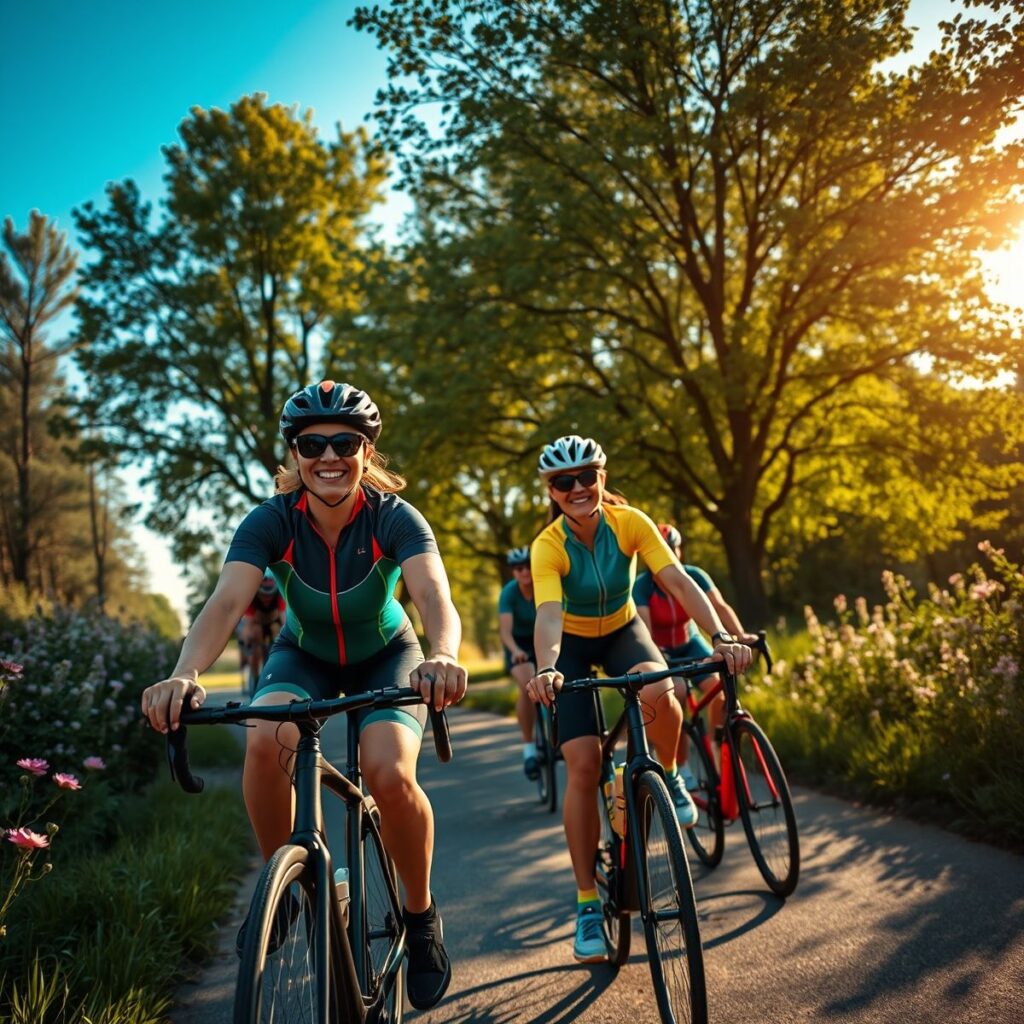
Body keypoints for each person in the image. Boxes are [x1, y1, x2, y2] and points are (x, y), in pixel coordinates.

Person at [140, 380, 467, 1011]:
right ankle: (284, 891)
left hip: (387, 654)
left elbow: (432, 597)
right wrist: (185, 671)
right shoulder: (270, 520)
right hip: (303, 655)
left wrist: (445, 656)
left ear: (366, 452)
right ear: (293, 453)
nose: (328, 456)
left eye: (345, 442)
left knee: (387, 772)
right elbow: (227, 602)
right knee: (264, 742)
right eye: (311, 443)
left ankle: (421, 918)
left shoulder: (393, 517)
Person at [526, 435, 752, 963]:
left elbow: (674, 579)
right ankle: (586, 903)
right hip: (573, 648)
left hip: (624, 630)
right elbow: (550, 616)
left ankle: (669, 776)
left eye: (587, 477)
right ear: (552, 492)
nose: (578, 488)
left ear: (602, 478)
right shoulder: (548, 546)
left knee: (663, 687)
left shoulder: (631, 523)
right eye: (564, 482)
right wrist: (545, 668)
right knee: (582, 765)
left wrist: (719, 635)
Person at [634, 524, 759, 785]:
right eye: (663, 549)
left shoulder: (694, 575)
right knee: (675, 693)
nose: (669, 553)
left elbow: (720, 607)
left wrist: (740, 634)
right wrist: (660, 659)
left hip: (690, 643)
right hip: (661, 649)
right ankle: (681, 766)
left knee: (719, 686)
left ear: (679, 551)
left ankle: (715, 740)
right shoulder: (642, 586)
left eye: (674, 548)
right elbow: (644, 630)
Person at [497, 546, 539, 779]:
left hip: (543, 639)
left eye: (528, 566)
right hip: (518, 645)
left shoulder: (544, 584)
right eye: (519, 568)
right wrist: (515, 651)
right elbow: (505, 631)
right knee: (526, 685)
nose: (525, 572)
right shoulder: (509, 593)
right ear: (514, 572)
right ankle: (529, 749)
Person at [239, 572, 287, 685]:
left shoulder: (279, 597)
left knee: (278, 632)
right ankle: (255, 679)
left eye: (270, 595)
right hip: (256, 624)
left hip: (273, 623)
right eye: (263, 595)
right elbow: (248, 625)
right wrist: (246, 642)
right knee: (254, 635)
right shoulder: (251, 598)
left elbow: (284, 620)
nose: (267, 598)